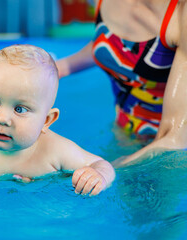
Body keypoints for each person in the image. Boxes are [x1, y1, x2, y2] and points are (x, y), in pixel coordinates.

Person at [0, 44, 115, 196]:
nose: (2, 119)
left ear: (46, 121)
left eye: (20, 109)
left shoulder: (55, 151)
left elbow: (102, 165)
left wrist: (98, 176)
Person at [56, 0, 187, 166]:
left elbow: (175, 139)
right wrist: (59, 68)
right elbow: (112, 45)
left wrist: (105, 169)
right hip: (124, 130)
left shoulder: (181, 13)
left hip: (171, 157)